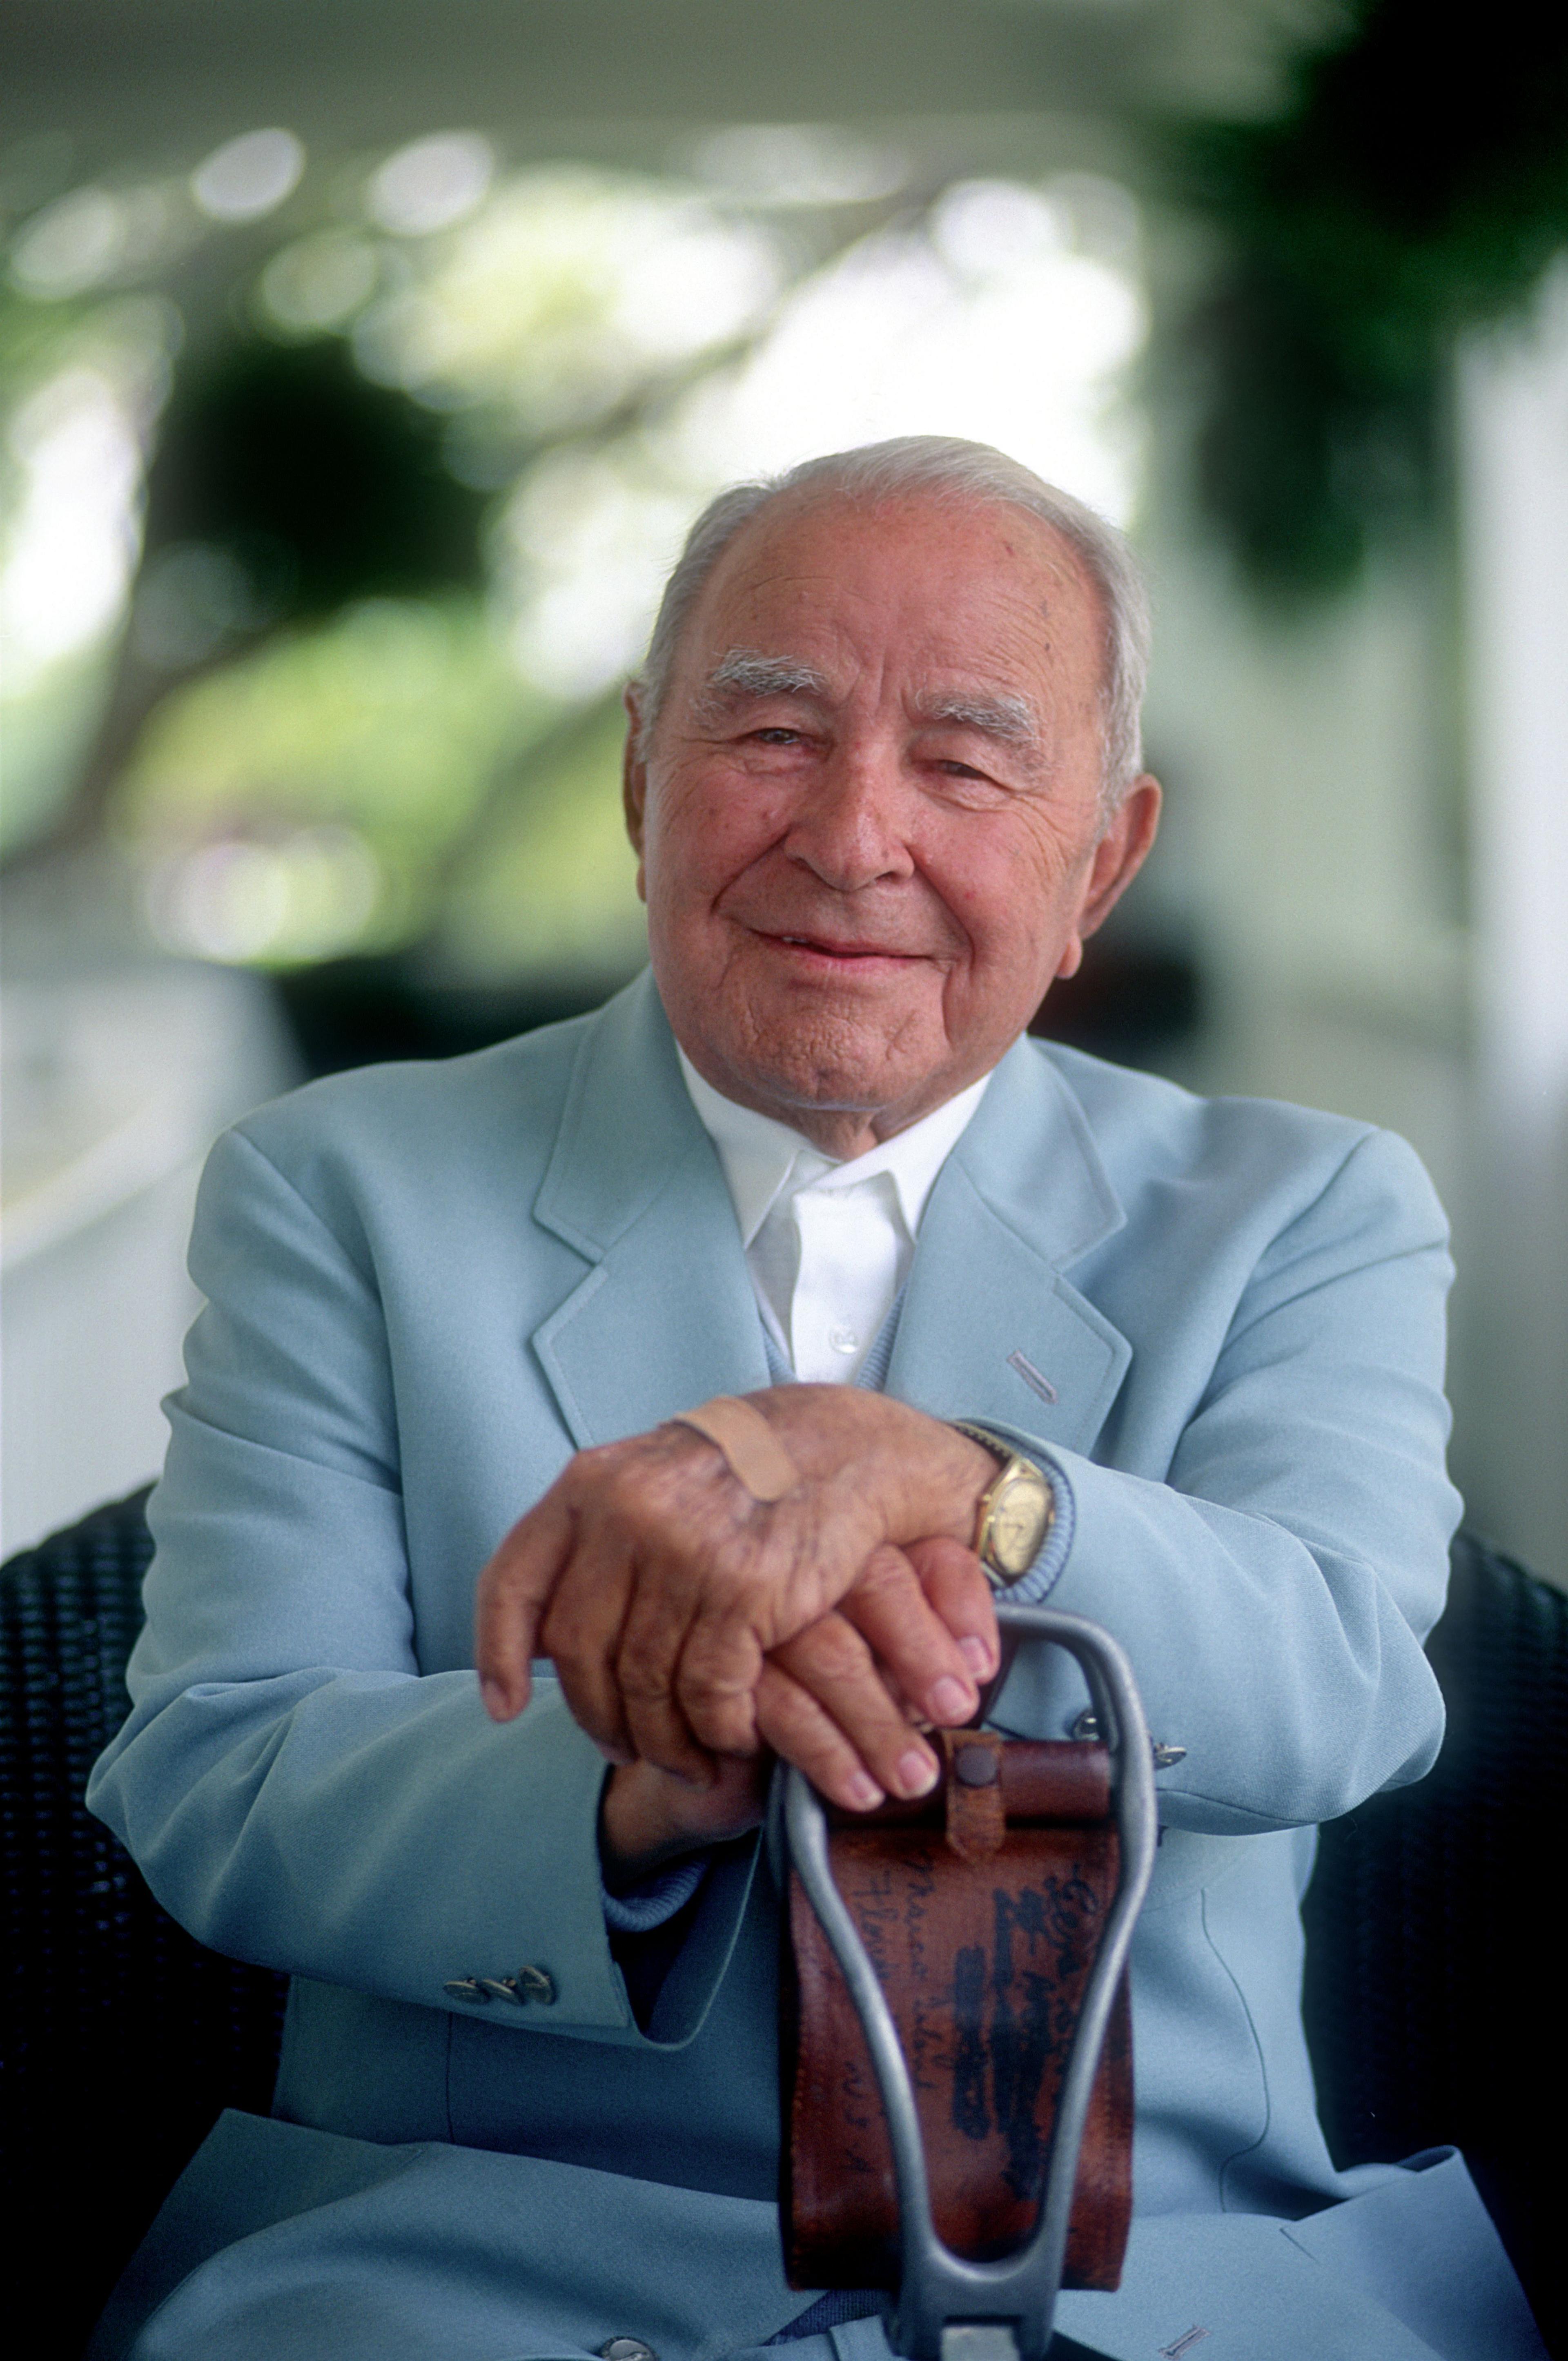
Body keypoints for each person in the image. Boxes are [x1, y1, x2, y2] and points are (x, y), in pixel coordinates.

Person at [87, 438, 1543, 2361]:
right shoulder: (340, 1185)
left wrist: (956, 1486)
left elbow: (1351, 1682)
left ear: (1102, 859)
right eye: (771, 735)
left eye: (963, 761)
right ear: (638, 777)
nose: (854, 838)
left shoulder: (1308, 1210)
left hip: (1151, 2278)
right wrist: (645, 1769)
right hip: (486, 2264)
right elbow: (221, 1771)